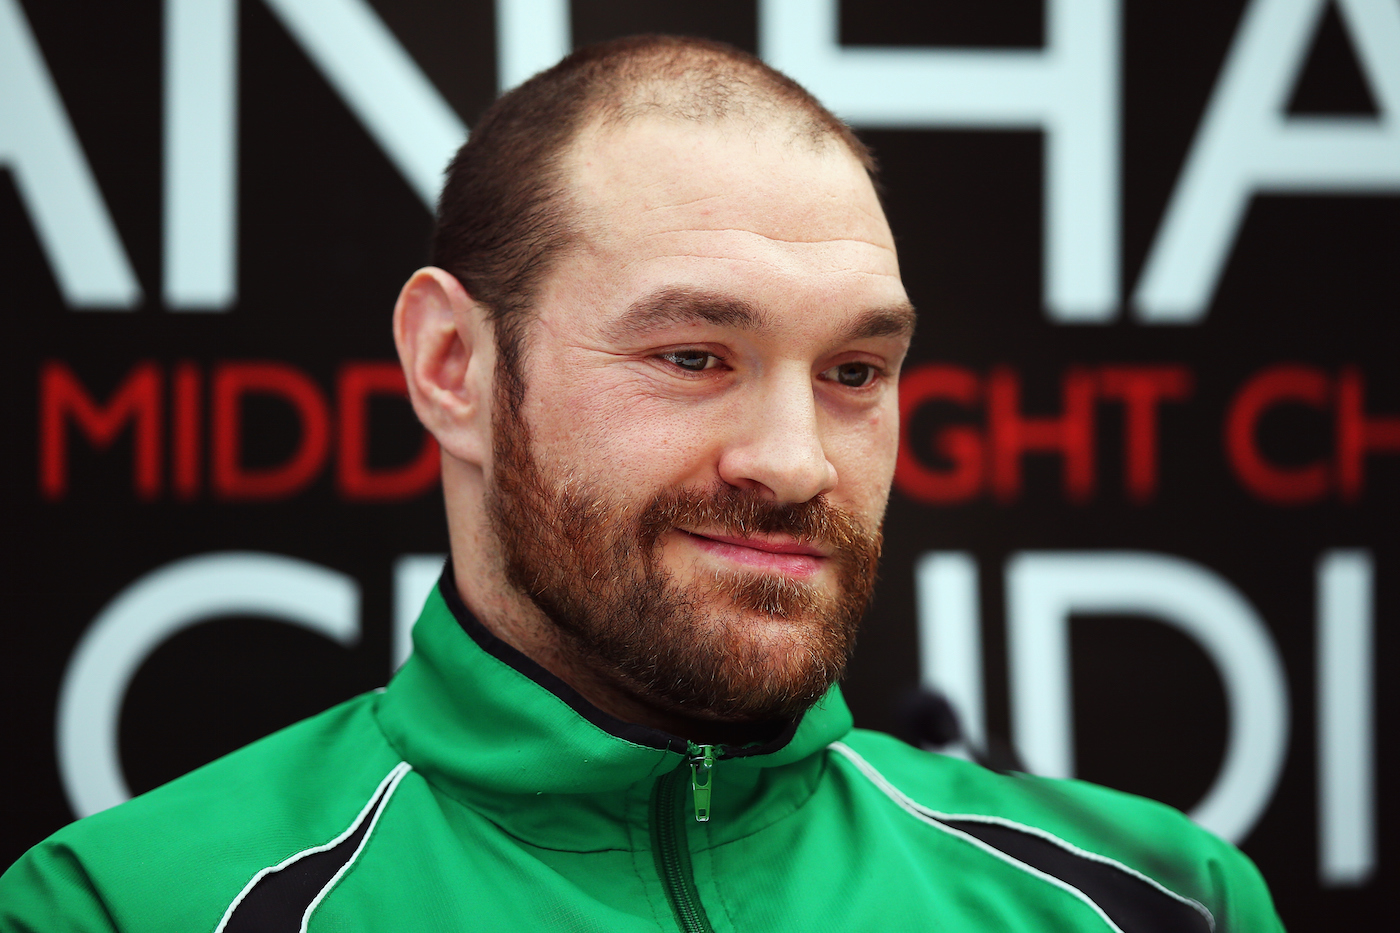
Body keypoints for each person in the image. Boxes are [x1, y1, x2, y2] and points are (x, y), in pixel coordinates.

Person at [0, 35, 1283, 932]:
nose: (793, 461)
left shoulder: (1161, 899)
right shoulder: (127, 910)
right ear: (451, 365)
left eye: (852, 371)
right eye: (691, 357)